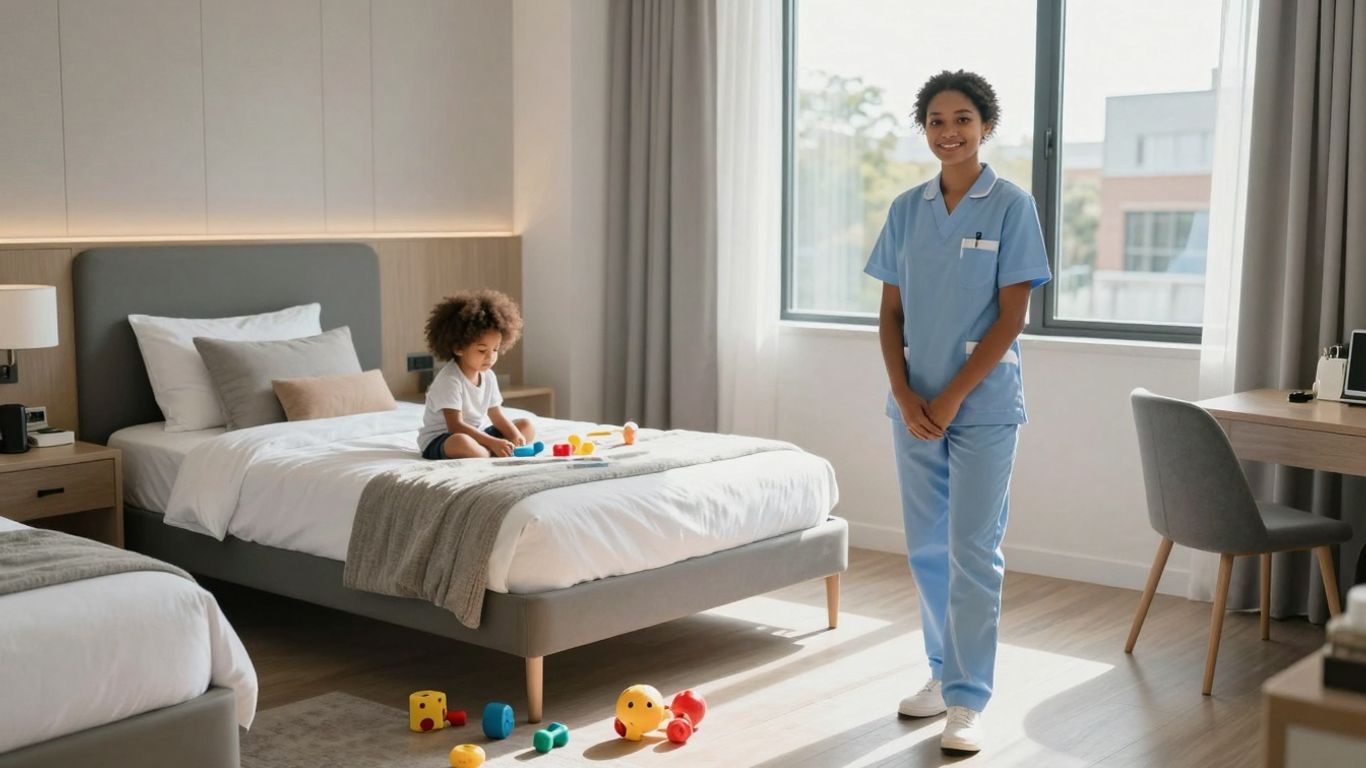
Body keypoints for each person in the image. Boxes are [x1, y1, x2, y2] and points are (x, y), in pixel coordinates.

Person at [863, 70, 1051, 754]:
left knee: (974, 549)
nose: (950, 131)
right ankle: (941, 675)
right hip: (913, 407)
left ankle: (968, 701)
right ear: (926, 130)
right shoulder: (907, 210)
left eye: (963, 119)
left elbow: (1011, 318)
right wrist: (907, 393)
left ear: (986, 127)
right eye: (937, 121)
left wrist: (949, 396)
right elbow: (889, 315)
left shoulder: (1011, 205)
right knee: (927, 550)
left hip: (983, 406)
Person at [417, 289, 535, 459]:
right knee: (462, 442)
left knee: (525, 426)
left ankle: (488, 451)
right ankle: (489, 452)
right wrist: (493, 442)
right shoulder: (450, 380)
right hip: (444, 438)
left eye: (495, 349)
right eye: (481, 350)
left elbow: (496, 414)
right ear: (458, 348)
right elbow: (455, 426)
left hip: (476, 435)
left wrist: (515, 435)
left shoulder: (488, 376)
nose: (490, 357)